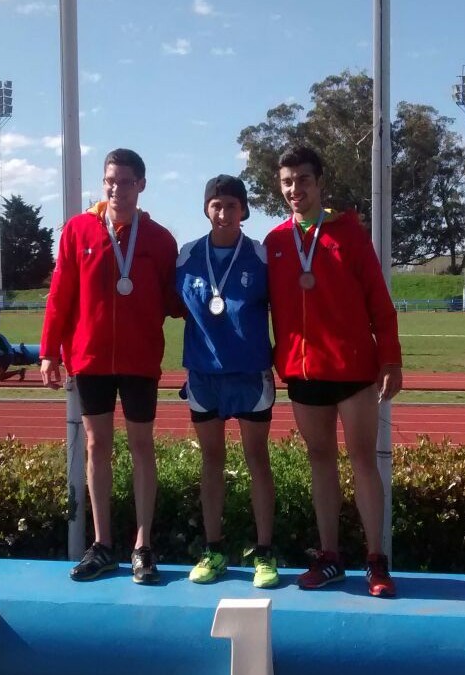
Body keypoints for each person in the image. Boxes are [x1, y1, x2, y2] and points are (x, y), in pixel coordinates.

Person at [264, 146, 403, 597]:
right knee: (320, 463)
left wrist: (391, 359)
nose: (294, 189)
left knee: (363, 461)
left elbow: (380, 304)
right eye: (287, 181)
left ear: (320, 182)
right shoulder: (276, 242)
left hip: (353, 370)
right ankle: (329, 557)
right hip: (303, 373)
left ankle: (376, 560)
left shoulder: (349, 233)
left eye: (302, 180)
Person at [40, 148, 182, 584]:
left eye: (124, 181)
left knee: (142, 447)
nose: (115, 188)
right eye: (109, 181)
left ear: (141, 184)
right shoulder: (77, 230)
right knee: (96, 446)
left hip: (140, 359)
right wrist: (49, 350)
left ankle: (143, 546)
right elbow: (61, 294)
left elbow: (174, 300)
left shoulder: (159, 239)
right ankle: (102, 545)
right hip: (90, 357)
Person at [176, 175, 278, 588]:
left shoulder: (261, 256)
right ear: (206, 208)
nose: (224, 213)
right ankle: (213, 548)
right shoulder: (186, 257)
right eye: (217, 205)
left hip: (250, 374)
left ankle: (265, 551)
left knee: (258, 460)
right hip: (203, 375)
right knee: (211, 461)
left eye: (232, 206)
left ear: (244, 211)